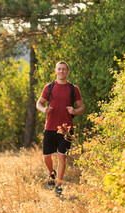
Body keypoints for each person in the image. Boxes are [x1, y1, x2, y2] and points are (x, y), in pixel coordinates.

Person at [36, 61, 85, 195]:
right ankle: (51, 174)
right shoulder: (49, 87)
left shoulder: (73, 89)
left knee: (62, 157)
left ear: (67, 72)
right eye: (59, 69)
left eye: (64, 69)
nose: (61, 71)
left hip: (66, 129)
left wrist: (74, 111)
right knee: (46, 157)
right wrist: (43, 109)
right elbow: (39, 103)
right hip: (50, 127)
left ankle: (59, 184)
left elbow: (82, 108)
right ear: (55, 71)